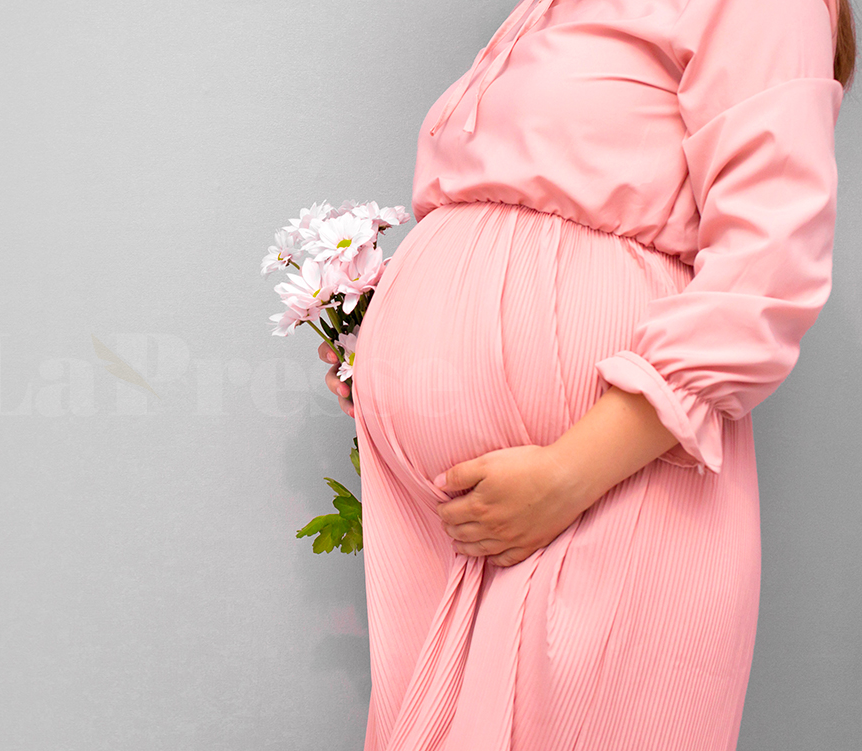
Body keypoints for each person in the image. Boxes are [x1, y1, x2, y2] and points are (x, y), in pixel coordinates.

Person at [316, 0, 856, 748]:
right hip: (453, 525)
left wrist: (567, 473)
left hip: (603, 480)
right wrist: (387, 345)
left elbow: (770, 265)